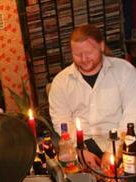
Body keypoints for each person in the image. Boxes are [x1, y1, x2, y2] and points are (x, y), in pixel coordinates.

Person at [49, 24, 136, 169]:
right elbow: (61, 120)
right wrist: (80, 151)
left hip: (122, 142)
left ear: (101, 46)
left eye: (89, 52)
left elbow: (132, 115)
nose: (83, 59)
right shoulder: (61, 82)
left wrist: (115, 150)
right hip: (83, 145)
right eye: (77, 54)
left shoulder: (125, 72)